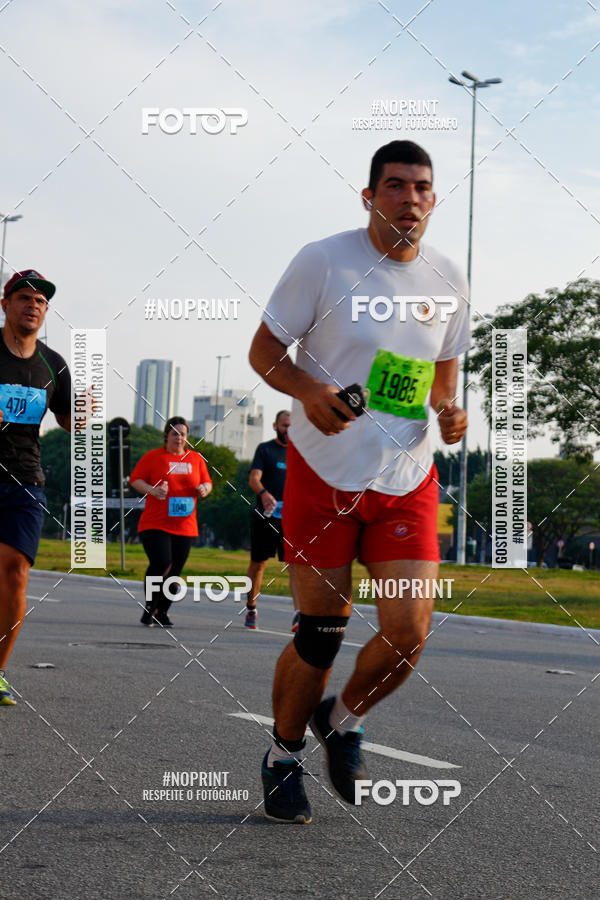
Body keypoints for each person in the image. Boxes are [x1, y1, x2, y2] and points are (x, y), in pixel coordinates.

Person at [249, 141, 469, 823]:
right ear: (369, 195)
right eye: (395, 186)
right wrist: (310, 392)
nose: (409, 199)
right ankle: (284, 755)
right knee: (322, 631)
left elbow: (440, 379)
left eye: (422, 188)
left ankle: (341, 720)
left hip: (404, 477)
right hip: (322, 471)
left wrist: (449, 413)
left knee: (409, 627)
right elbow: (264, 353)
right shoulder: (325, 260)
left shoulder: (449, 280)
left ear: (433, 200)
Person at [0, 270, 71, 706]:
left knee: (15, 572)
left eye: (41, 301)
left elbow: (67, 421)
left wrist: (81, 414)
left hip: (25, 479)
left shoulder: (53, 363)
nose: (33, 305)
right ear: (5, 304)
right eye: (24, 297)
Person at [130, 416, 212, 628]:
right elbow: (136, 480)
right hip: (155, 523)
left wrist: (204, 489)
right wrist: (153, 490)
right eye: (175, 433)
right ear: (166, 435)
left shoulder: (195, 459)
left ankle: (162, 611)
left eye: (183, 434)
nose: (179, 437)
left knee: (174, 571)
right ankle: (151, 604)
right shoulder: (154, 457)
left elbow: (206, 482)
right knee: (161, 562)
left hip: (185, 525)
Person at [244, 410, 299, 631]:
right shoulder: (265, 449)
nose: (289, 430)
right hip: (266, 516)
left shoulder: (301, 452)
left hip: (292, 517)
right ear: (276, 426)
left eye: (292, 426)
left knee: (295, 564)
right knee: (258, 564)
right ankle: (251, 607)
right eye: (285, 426)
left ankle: (298, 615)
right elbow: (254, 478)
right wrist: (264, 493)